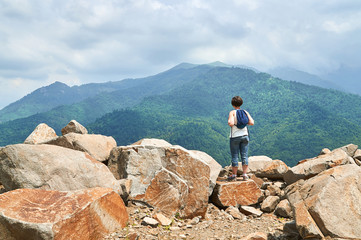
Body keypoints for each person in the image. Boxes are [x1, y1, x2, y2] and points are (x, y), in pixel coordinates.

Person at [227, 96, 254, 181]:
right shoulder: (245, 112)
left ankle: (234, 175)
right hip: (245, 136)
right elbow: (252, 122)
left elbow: (231, 123)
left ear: (232, 104)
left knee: (235, 155)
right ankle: (245, 175)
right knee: (244, 155)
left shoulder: (232, 112)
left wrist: (232, 121)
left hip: (235, 136)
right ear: (241, 103)